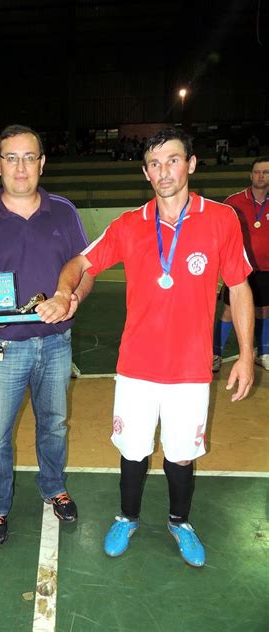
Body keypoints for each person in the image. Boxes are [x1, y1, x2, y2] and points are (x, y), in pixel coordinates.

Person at [37, 127, 254, 567]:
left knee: (180, 454)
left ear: (191, 164)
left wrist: (246, 355)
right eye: (154, 164)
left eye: (173, 160)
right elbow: (79, 261)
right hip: (136, 367)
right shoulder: (130, 225)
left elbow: (239, 287)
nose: (164, 171)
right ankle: (127, 517)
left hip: (191, 369)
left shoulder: (221, 219)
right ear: (145, 172)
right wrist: (63, 294)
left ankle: (179, 522)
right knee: (133, 451)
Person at [0, 124, 94, 546]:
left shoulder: (64, 211)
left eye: (29, 157)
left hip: (57, 343)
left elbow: (84, 268)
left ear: (42, 162)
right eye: (12, 158)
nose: (21, 167)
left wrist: (71, 299)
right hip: (3, 347)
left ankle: (53, 486)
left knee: (54, 424)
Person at [213, 157, 269, 371]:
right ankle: (215, 354)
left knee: (264, 311)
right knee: (229, 311)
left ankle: (263, 352)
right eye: (257, 172)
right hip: (239, 269)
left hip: (266, 269)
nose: (261, 175)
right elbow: (220, 233)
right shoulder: (234, 202)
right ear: (251, 175)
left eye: (265, 172)